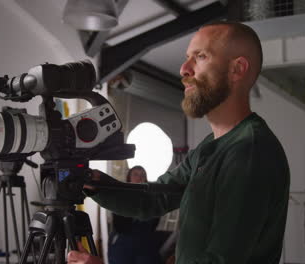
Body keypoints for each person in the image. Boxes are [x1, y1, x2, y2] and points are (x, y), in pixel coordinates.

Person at [67, 21, 290, 264]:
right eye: (187, 58)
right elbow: (154, 198)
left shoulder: (249, 152)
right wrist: (94, 182)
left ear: (237, 69)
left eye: (201, 56)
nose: (184, 68)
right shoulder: (209, 147)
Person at [108, 166, 161, 264]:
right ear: (129, 177)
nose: (139, 177)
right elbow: (119, 224)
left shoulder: (152, 198)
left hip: (145, 243)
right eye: (135, 174)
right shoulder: (120, 196)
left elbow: (155, 221)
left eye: (142, 175)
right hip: (123, 243)